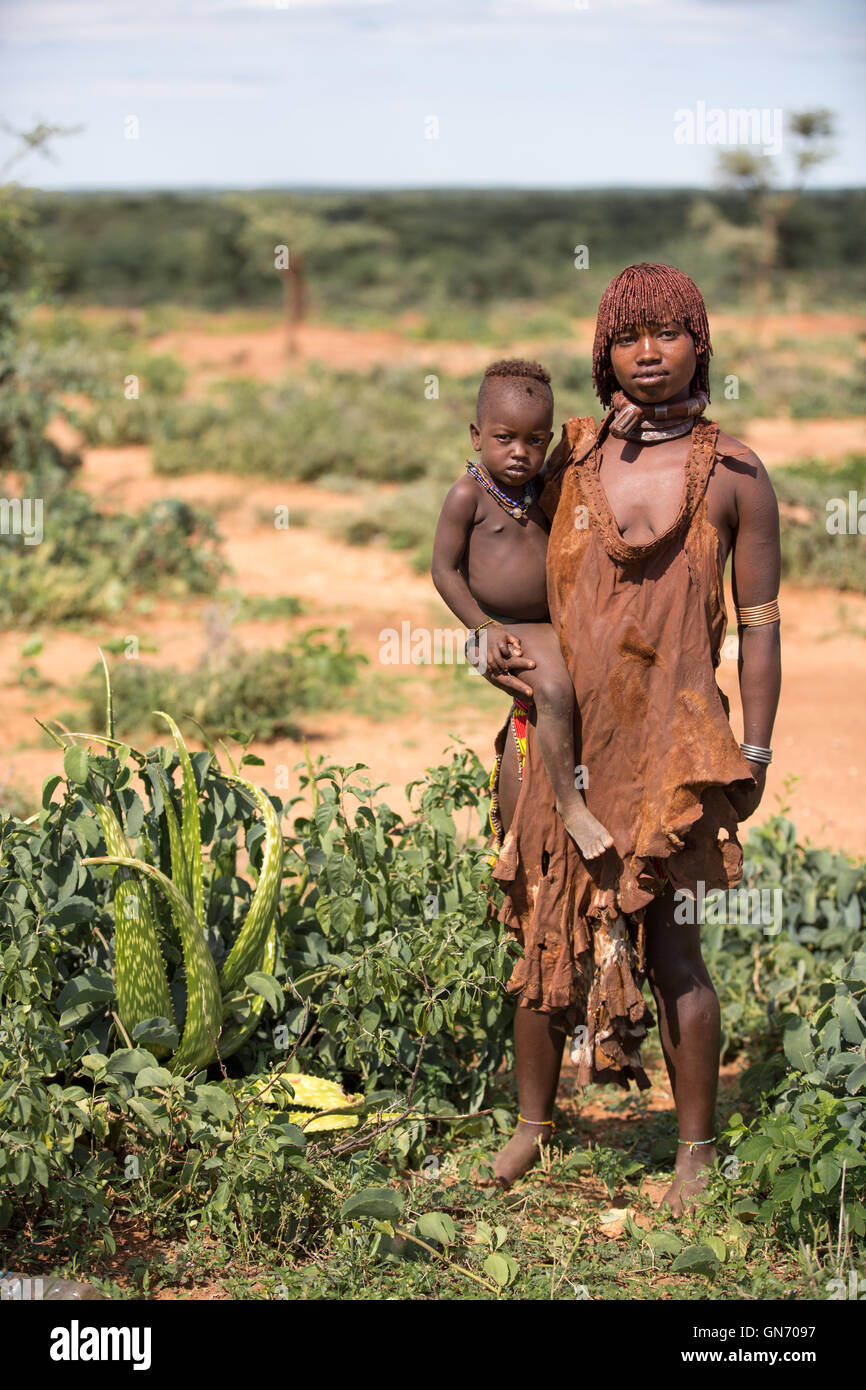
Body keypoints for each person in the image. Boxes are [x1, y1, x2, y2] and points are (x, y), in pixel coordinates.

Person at [475, 264, 781, 1213]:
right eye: (626, 337)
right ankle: (532, 1126)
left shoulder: (736, 478)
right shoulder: (562, 456)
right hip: (556, 737)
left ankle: (695, 1147)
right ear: (602, 353)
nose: (647, 353)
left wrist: (758, 750)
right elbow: (484, 547)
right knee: (540, 927)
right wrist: (487, 639)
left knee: (676, 946)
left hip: (676, 747)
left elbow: (762, 622)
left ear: (701, 343)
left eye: (668, 333)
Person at [431, 358, 614, 860]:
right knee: (552, 690)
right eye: (505, 438)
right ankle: (569, 806)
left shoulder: (544, 489)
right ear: (476, 434)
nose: (520, 453)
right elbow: (443, 571)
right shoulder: (467, 495)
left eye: (536, 441)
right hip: (510, 627)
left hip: (553, 623)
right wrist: (482, 628)